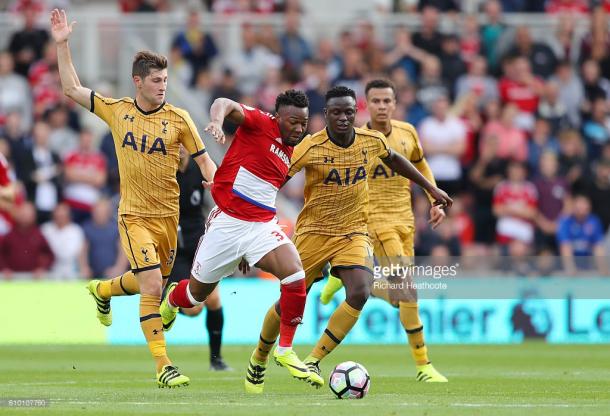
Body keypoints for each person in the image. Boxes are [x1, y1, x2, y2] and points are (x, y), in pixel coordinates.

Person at [50, 9, 217, 388]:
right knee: (154, 287)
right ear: (137, 82)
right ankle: (164, 365)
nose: (162, 86)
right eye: (156, 80)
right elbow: (72, 89)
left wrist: (222, 194)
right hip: (133, 216)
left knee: (150, 283)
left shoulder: (180, 119)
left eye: (165, 79)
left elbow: (207, 164)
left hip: (167, 220)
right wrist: (63, 45)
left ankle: (103, 289)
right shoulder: (117, 111)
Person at [247, 86, 452, 392]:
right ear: (325, 115)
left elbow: (395, 159)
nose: (343, 118)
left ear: (356, 113)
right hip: (313, 234)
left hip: (354, 231)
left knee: (359, 291)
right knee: (289, 300)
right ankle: (259, 358)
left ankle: (314, 359)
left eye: (348, 112)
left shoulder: (371, 141)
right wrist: (251, 225)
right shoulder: (309, 147)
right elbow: (274, 180)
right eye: (336, 113)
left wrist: (431, 189)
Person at [159, 90, 321, 392]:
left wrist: (250, 251)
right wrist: (217, 122)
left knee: (295, 272)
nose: (299, 129)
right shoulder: (260, 123)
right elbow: (224, 103)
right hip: (227, 225)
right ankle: (171, 299)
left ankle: (285, 349)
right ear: (278, 118)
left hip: (260, 227)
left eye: (304, 123)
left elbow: (255, 185)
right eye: (293, 122)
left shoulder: (292, 151)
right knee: (194, 297)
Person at [319, 79, 448, 382]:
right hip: (375, 222)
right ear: (366, 104)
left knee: (397, 298)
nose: (381, 106)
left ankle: (344, 278)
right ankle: (423, 365)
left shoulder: (408, 132)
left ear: (394, 103)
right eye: (375, 101)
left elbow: (421, 165)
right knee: (409, 290)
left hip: (405, 221)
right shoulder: (358, 137)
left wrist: (434, 198)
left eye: (386, 101)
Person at [164, 145, 230, 372]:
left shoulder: (200, 167)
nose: (180, 147)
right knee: (193, 310)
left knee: (213, 300)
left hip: (199, 242)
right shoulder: (163, 171)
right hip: (174, 247)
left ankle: (216, 360)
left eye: (183, 141)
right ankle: (170, 301)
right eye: (175, 142)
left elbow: (222, 196)